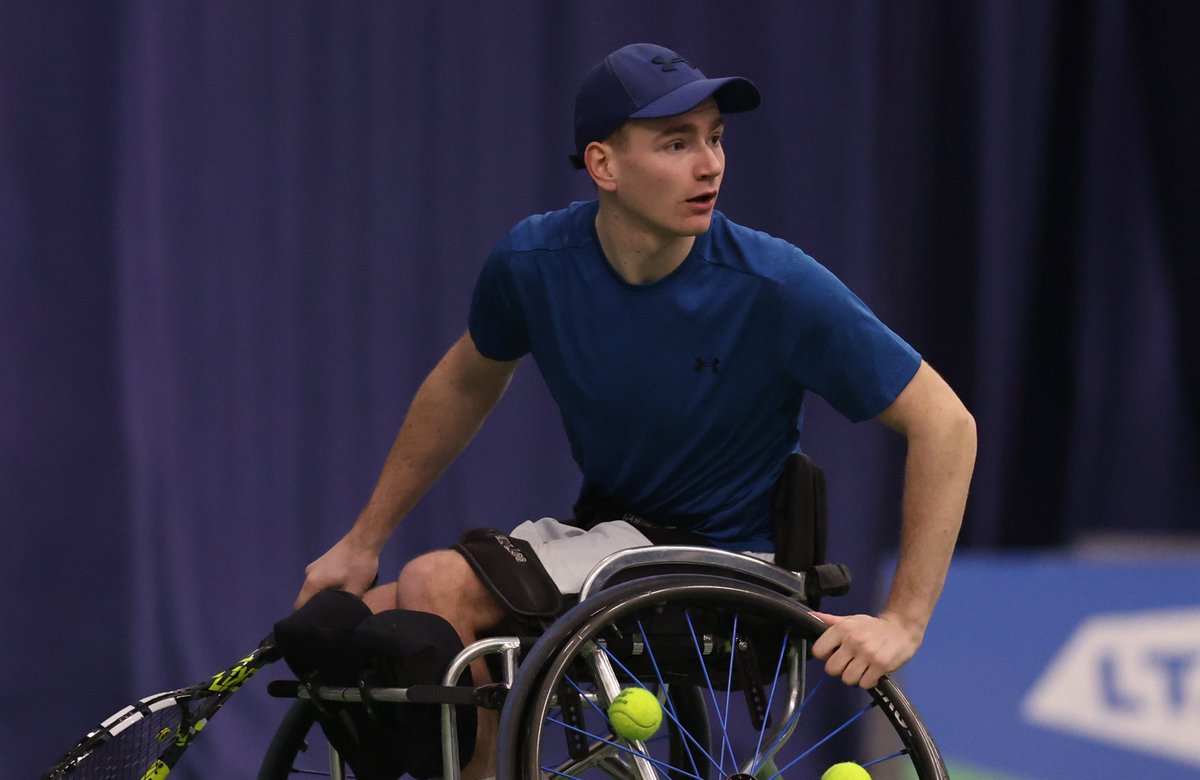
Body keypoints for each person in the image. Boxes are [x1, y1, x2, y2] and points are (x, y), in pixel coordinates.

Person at [295, 42, 976, 777]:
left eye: (715, 138)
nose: (709, 163)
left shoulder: (777, 287)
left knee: (437, 584)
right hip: (615, 539)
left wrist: (904, 620)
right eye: (677, 142)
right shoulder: (532, 265)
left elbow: (946, 424)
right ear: (604, 167)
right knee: (383, 624)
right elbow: (463, 382)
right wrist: (363, 540)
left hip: (725, 558)